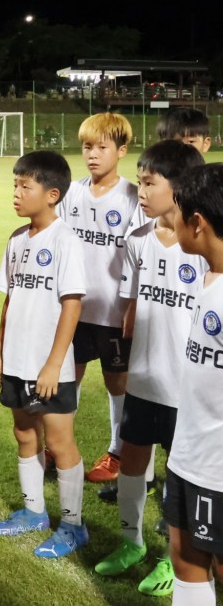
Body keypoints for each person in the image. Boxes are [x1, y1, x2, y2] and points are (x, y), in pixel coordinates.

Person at [92, 141, 206, 597]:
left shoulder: (202, 246)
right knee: (134, 463)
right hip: (144, 380)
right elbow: (133, 308)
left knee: (179, 481)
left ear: (179, 188)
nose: (139, 190)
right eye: (138, 180)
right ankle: (132, 543)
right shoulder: (136, 240)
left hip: (186, 390)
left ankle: (170, 558)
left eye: (149, 182)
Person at [0, 151, 89, 558]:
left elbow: (72, 304)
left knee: (61, 445)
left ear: (51, 194)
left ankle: (73, 526)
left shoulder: (66, 240)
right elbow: (10, 301)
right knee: (24, 433)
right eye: (15, 184)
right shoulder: (15, 239)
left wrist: (53, 364)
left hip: (51, 367)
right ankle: (33, 512)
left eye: (24, 186)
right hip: (16, 358)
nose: (16, 192)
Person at [56, 113, 144, 488]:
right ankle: (61, 446)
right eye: (87, 147)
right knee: (66, 377)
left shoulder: (132, 197)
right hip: (73, 308)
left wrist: (133, 307)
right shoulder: (71, 192)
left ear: (121, 151)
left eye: (102, 147)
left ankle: (117, 450)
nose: (92, 155)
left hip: (113, 311)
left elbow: (141, 256)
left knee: (117, 382)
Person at [164, 163, 223, 606]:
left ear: (197, 222)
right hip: (189, 454)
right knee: (185, 558)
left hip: (216, 466)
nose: (171, 219)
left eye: (177, 212)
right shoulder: (209, 280)